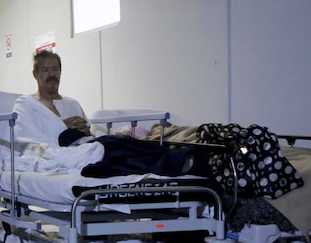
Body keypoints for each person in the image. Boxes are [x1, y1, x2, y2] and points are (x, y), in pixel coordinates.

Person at [13, 50, 205, 178]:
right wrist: (64, 127)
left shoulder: (71, 103)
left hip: (86, 145)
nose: (51, 74)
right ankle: (178, 162)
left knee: (126, 143)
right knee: (115, 148)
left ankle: (183, 157)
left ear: (61, 72)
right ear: (35, 74)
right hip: (65, 151)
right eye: (45, 70)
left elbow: (86, 134)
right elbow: (29, 140)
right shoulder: (27, 105)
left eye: (55, 69)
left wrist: (84, 131)